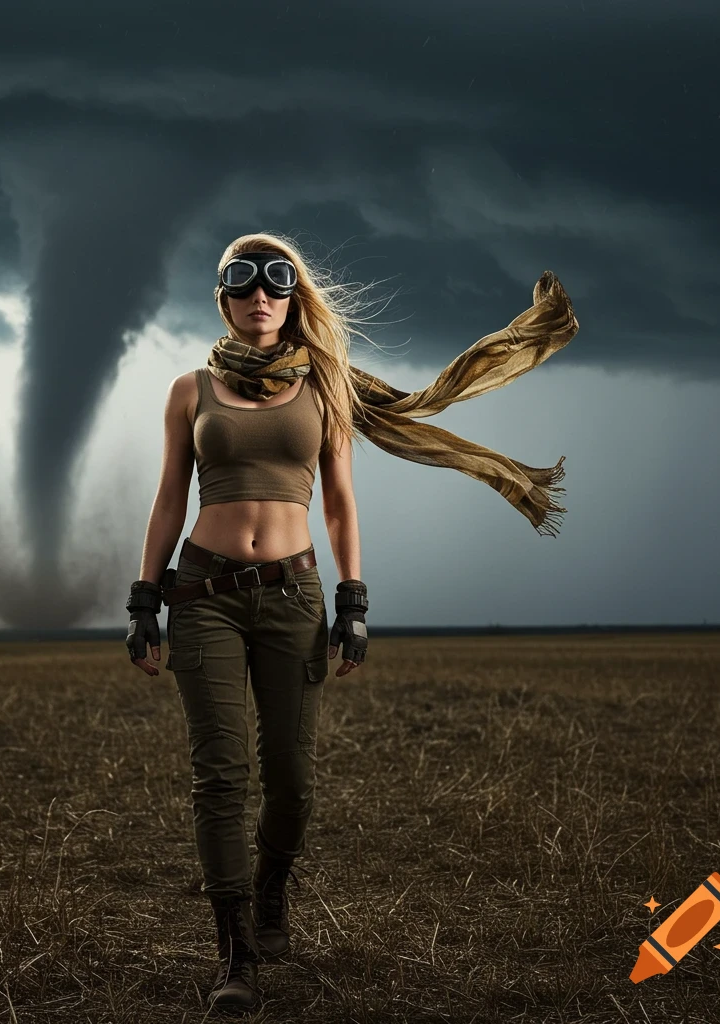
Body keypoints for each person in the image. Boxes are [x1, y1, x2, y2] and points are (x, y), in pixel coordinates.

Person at [126, 232, 580, 1014]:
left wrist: (355, 602)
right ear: (224, 299)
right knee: (220, 776)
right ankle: (234, 954)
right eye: (242, 283)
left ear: (294, 297)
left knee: (293, 784)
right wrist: (142, 600)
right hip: (202, 595)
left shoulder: (327, 387)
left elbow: (338, 501)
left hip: (296, 598)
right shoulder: (187, 391)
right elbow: (171, 496)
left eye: (276, 283)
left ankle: (272, 886)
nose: (259, 296)